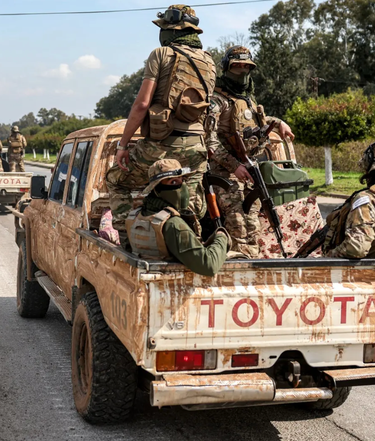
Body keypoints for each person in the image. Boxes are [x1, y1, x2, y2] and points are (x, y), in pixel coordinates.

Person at [106, 4, 216, 246]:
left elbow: (142, 105)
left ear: (171, 30)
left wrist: (123, 145)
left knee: (115, 180)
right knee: (189, 200)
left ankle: (128, 242)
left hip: (161, 145)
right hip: (196, 147)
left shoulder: (161, 54)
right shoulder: (209, 61)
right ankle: (189, 244)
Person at [206, 45, 295, 258]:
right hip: (224, 173)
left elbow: (258, 123)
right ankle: (237, 264)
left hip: (249, 171)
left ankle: (253, 262)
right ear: (226, 68)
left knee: (253, 223)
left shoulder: (248, 99)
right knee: (237, 223)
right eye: (237, 66)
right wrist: (234, 166)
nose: (242, 71)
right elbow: (209, 141)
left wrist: (279, 123)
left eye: (247, 67)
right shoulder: (217, 100)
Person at [126, 159, 230, 276]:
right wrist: (221, 236)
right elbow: (208, 266)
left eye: (183, 180)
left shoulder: (136, 216)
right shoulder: (173, 224)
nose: (182, 187)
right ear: (157, 189)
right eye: (173, 182)